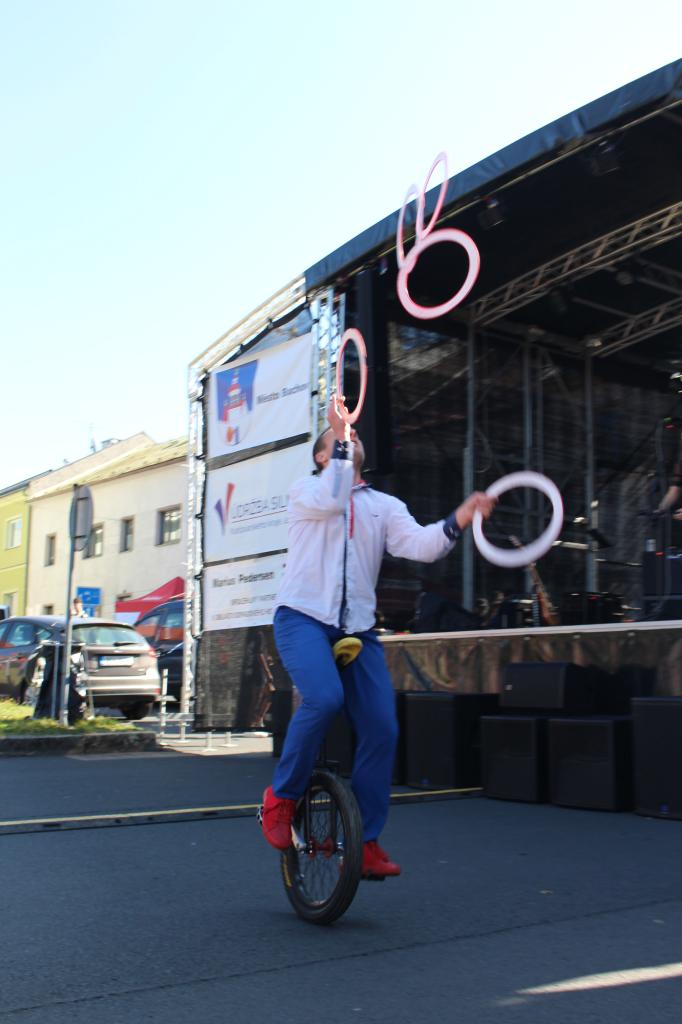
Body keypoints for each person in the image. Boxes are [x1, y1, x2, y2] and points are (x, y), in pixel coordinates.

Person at [260, 397, 496, 878]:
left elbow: (423, 546)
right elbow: (333, 498)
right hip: (302, 618)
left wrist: (462, 516)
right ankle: (280, 798)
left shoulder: (384, 506)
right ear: (323, 455)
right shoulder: (306, 491)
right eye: (337, 442)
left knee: (383, 728)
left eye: (353, 437)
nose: (350, 439)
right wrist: (341, 435)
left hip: (357, 630)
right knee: (324, 699)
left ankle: (365, 841)